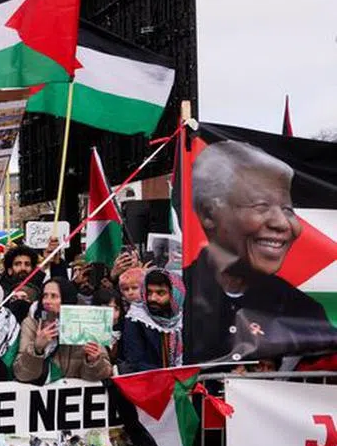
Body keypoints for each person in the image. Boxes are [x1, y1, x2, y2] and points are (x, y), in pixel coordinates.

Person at [187, 139, 337, 363]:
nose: (283, 224)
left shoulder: (303, 310)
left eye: (287, 209)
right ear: (209, 213)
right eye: (261, 206)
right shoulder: (176, 298)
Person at [14, 278, 112, 384]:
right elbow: (22, 374)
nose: (47, 301)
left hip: (74, 395)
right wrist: (37, 349)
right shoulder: (31, 323)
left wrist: (93, 361)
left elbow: (103, 373)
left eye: (54, 296)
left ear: (66, 299)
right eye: (45, 296)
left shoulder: (85, 321)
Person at [121, 269, 184, 373]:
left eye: (161, 293)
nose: (153, 298)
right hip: (150, 382)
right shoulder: (136, 318)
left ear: (175, 295)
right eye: (149, 293)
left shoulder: (182, 318)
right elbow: (136, 361)